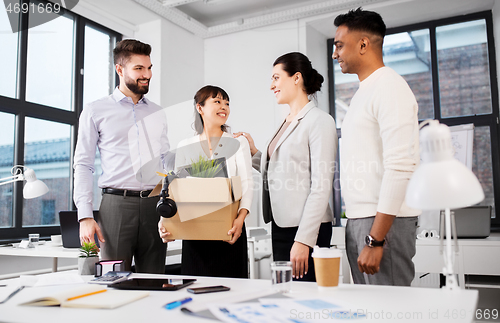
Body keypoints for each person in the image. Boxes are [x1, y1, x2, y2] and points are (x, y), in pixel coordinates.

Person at [333, 8, 421, 286]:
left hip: (382, 225)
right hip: (361, 220)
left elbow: (401, 167)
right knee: (369, 312)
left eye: (339, 45)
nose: (335, 54)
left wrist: (375, 238)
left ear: (362, 44)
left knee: (390, 313)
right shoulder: (364, 92)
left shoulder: (390, 87)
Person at [234, 52, 337, 282]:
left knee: (305, 299)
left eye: (276, 78)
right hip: (281, 226)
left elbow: (321, 186)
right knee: (286, 295)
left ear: (296, 78)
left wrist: (304, 240)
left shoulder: (319, 121)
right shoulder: (287, 120)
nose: (272, 85)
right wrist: (254, 153)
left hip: (306, 228)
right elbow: (281, 169)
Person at [74, 39, 169, 274]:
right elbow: (83, 165)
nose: (146, 74)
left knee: (155, 281)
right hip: (116, 207)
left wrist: (171, 205)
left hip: (154, 205)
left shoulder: (158, 113)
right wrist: (85, 216)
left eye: (149, 68)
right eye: (139, 69)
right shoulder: (95, 110)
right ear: (120, 69)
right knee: (114, 282)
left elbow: (166, 162)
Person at [158, 85, 253, 278]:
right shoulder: (185, 146)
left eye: (227, 103)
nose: (224, 107)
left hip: (229, 230)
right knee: (195, 293)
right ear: (199, 108)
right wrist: (165, 221)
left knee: (232, 293)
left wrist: (240, 220)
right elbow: (176, 189)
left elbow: (247, 183)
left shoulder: (238, 142)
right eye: (217, 101)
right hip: (195, 234)